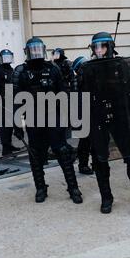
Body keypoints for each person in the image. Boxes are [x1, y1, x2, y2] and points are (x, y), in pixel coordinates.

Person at [82, 32, 130, 218]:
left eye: (102, 46)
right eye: (96, 47)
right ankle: (106, 198)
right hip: (98, 119)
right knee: (101, 161)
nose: (99, 50)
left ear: (110, 46)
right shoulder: (87, 68)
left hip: (120, 119)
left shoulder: (123, 64)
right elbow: (81, 96)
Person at [12, 37, 82, 204]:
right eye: (32, 50)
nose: (36, 53)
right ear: (27, 52)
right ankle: (41, 188)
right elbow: (13, 100)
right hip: (34, 120)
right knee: (36, 156)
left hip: (53, 118)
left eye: (38, 50)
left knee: (63, 153)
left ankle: (73, 188)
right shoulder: (20, 71)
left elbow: (64, 93)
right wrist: (16, 125)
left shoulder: (53, 69)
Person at [0, 49, 21, 156]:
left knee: (10, 124)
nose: (7, 60)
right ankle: (6, 149)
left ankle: (9, 145)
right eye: (5, 58)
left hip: (12, 99)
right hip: (3, 101)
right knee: (4, 126)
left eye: (9, 57)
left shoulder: (11, 69)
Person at [71, 56, 93, 175]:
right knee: (85, 141)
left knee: (93, 140)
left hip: (92, 112)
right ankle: (83, 165)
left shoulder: (91, 77)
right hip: (82, 113)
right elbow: (76, 99)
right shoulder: (77, 79)